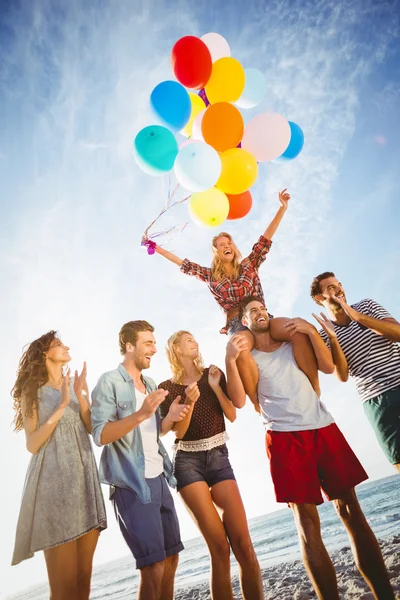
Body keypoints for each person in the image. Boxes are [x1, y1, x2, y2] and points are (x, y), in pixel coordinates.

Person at [226, 296, 395, 600]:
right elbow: (245, 399)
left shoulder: (295, 342)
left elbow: (328, 369)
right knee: (307, 524)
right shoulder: (247, 356)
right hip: (284, 438)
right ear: (246, 323)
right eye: (253, 312)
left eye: (263, 309)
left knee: (351, 511)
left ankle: (385, 594)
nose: (260, 313)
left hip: (322, 428)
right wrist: (230, 353)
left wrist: (313, 330)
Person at [149, 188, 324, 405]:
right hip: (237, 323)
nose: (226, 246)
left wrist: (282, 208)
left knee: (296, 330)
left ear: (234, 247)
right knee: (239, 347)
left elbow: (266, 239)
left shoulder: (249, 264)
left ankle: (314, 384)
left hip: (262, 318)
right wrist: (155, 248)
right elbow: (184, 264)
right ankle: (257, 402)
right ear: (216, 252)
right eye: (221, 245)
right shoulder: (210, 276)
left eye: (228, 242)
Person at [158, 330, 263, 600]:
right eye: (188, 340)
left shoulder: (212, 374)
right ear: (176, 350)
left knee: (243, 545)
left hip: (219, 458)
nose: (195, 342)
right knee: (219, 548)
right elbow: (178, 433)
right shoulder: (167, 388)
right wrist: (189, 403)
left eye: (195, 339)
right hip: (187, 464)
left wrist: (216, 387)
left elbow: (232, 413)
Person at [91, 320, 189, 600]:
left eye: (154, 343)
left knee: (170, 559)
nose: (155, 349)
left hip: (159, 478)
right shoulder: (109, 381)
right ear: (129, 345)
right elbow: (100, 434)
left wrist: (169, 417)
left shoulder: (149, 383)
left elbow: (152, 431)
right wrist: (141, 414)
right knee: (152, 566)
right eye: (148, 343)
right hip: (132, 484)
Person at [11, 331, 107, 600]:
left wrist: (80, 395)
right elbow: (32, 444)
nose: (66, 347)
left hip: (84, 485)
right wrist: (62, 406)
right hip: (53, 489)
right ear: (44, 354)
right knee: (63, 590)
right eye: (58, 344)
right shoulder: (32, 393)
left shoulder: (73, 385)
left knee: (82, 584)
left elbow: (91, 430)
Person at [310, 272, 400, 472]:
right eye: (331, 288)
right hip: (375, 399)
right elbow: (341, 376)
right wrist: (333, 338)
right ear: (319, 297)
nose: (339, 289)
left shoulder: (367, 306)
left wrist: (357, 317)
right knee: (397, 459)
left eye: (339, 284)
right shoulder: (325, 334)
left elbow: (398, 333)